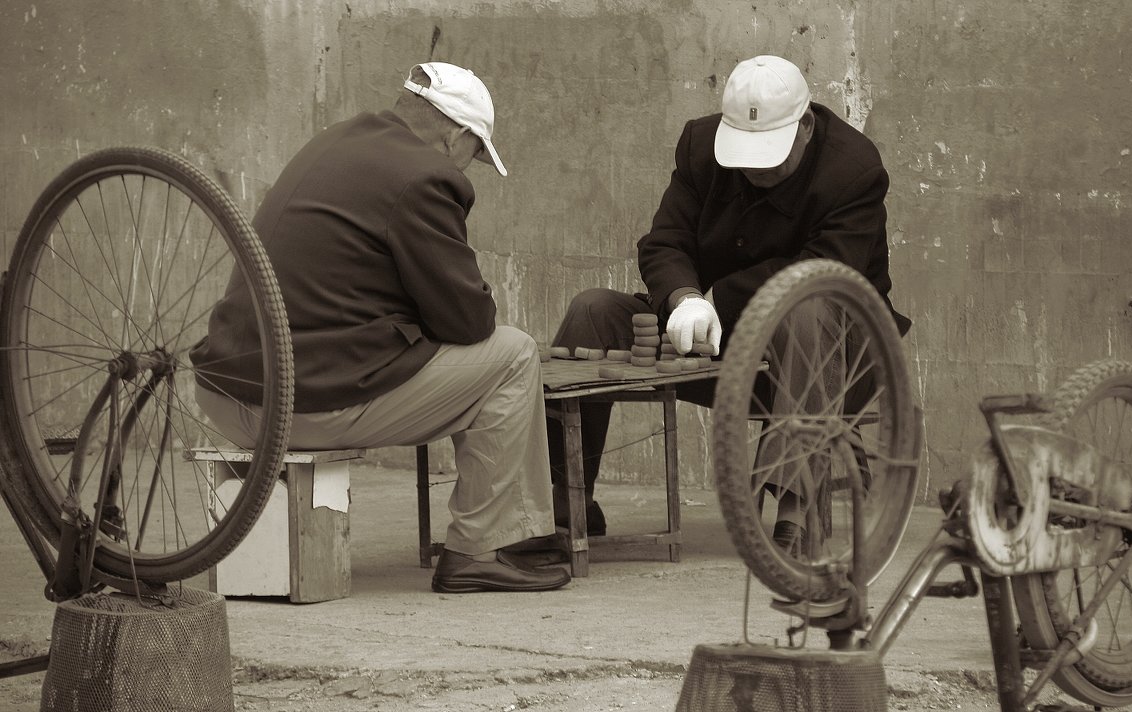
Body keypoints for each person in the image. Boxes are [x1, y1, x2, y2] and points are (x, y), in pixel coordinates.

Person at [191, 61, 569, 594]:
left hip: (226, 395)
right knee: (512, 354)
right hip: (301, 407)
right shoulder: (426, 176)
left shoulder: (337, 140)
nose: (471, 165)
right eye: (477, 152)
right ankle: (481, 547)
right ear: (455, 134)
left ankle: (507, 533)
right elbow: (466, 320)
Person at [547, 55, 911, 546]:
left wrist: (722, 298)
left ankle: (795, 510)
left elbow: (828, 271)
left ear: (804, 126)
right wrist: (685, 299)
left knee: (808, 306)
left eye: (770, 154)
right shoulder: (701, 146)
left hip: (831, 350)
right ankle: (567, 499)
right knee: (591, 310)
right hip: (715, 340)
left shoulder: (854, 170)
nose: (754, 169)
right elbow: (665, 241)